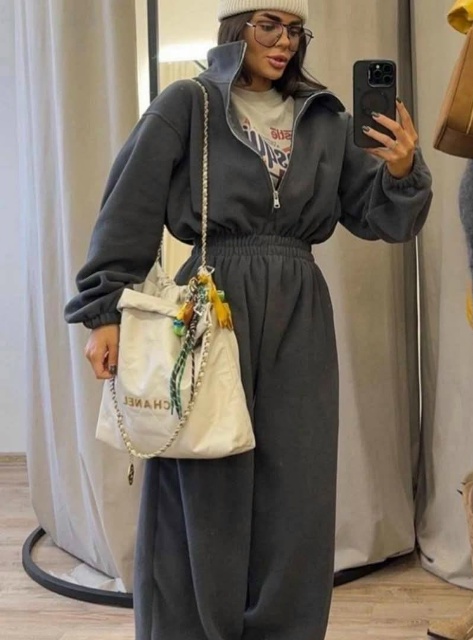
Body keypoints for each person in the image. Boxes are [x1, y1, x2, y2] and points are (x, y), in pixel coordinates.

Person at [64, 1, 433, 638]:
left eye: (294, 29)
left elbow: (380, 217)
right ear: (236, 29)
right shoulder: (189, 105)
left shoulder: (324, 118)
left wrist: (400, 171)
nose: (284, 42)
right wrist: (104, 311)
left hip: (299, 308)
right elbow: (129, 204)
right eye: (269, 26)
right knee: (205, 475)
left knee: (299, 485)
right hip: (213, 300)